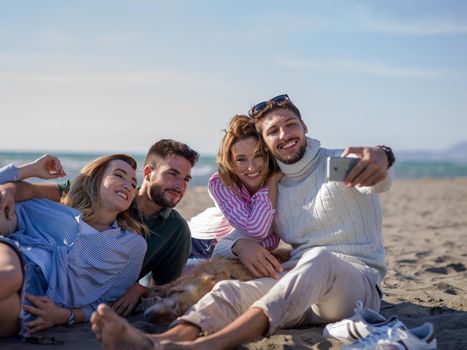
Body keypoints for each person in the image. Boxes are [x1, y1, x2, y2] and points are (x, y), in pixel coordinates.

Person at [90, 94, 395, 350]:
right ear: (265, 142)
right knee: (229, 292)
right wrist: (240, 245)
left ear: (304, 126)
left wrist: (383, 156)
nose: (284, 135)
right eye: (272, 131)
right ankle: (162, 343)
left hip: (356, 286)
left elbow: (376, 177)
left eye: (290, 125)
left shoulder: (333, 164)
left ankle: (206, 347)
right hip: (298, 290)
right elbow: (229, 241)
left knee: (319, 259)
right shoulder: (275, 188)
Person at [0, 140, 200, 317]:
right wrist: (11, 186)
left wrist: (141, 289)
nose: (180, 185)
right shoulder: (99, 194)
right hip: (27, 264)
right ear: (148, 173)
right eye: (172, 174)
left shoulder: (175, 231)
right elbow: (32, 191)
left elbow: (167, 289)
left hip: (66, 293)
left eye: (186, 179)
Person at [0, 154, 147, 337]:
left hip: (41, 299)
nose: (128, 185)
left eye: (134, 184)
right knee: (10, 275)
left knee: (11, 316)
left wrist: (63, 316)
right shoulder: (55, 210)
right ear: (95, 178)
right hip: (16, 257)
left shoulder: (131, 245)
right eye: (119, 175)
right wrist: (28, 169)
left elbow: (107, 304)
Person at [188, 115, 285, 277]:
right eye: (241, 160)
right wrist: (271, 182)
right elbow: (257, 230)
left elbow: (268, 238)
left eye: (258, 155)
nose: (251, 167)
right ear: (230, 162)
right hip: (200, 242)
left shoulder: (284, 180)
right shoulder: (221, 183)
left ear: (268, 154)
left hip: (231, 245)